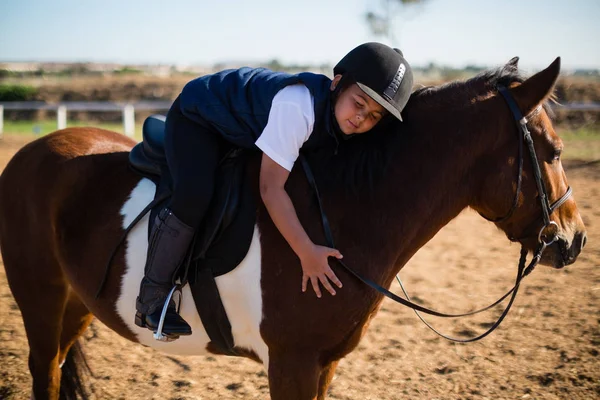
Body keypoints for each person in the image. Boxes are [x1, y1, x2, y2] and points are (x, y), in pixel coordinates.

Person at [134, 42, 414, 338]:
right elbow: (270, 189)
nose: (361, 118)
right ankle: (152, 298)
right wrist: (306, 251)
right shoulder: (298, 109)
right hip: (200, 114)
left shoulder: (341, 117)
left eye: (373, 116)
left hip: (243, 122)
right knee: (195, 195)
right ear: (337, 83)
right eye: (359, 104)